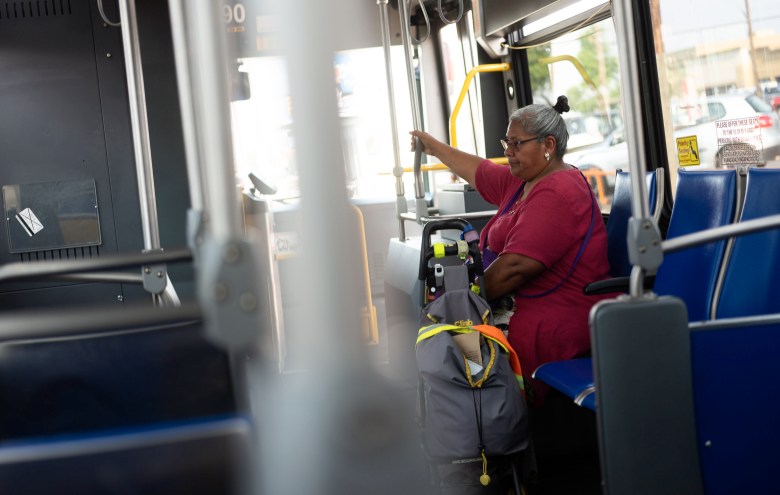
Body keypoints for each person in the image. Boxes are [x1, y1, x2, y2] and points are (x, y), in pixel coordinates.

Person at [410, 96, 612, 406]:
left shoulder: (559, 192)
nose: (508, 152)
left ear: (548, 145)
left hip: (548, 321)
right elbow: (480, 171)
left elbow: (514, 268)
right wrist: (433, 146)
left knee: (452, 347)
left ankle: (489, 427)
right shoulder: (523, 182)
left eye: (516, 144)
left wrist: (461, 302)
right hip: (516, 306)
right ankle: (471, 428)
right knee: (439, 329)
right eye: (508, 142)